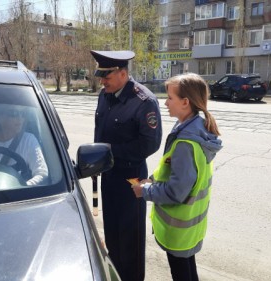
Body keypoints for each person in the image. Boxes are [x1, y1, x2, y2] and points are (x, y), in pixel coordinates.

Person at [131, 73, 222, 281]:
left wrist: (144, 191)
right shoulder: (195, 129)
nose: (165, 103)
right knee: (188, 270)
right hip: (192, 225)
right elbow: (173, 171)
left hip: (179, 228)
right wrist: (153, 180)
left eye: (170, 98)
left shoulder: (185, 143)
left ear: (185, 102)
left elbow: (176, 191)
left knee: (181, 273)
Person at [90, 50, 163, 281]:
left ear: (122, 73)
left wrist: (110, 152)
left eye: (107, 77)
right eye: (101, 77)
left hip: (132, 181)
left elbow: (149, 144)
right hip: (108, 177)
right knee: (112, 237)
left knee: (130, 242)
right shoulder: (105, 95)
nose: (102, 82)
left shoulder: (143, 101)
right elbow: (99, 130)